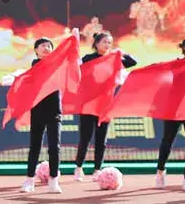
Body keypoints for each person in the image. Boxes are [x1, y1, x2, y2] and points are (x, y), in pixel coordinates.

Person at [73, 31, 137, 181]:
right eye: (104, 42)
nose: (107, 45)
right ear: (96, 44)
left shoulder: (113, 59)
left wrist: (122, 53)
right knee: (85, 138)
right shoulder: (88, 59)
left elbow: (133, 62)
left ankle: (97, 170)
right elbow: (76, 69)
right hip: (88, 103)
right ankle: (78, 168)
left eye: (109, 43)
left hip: (105, 104)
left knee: (101, 140)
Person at [154, 37, 185, 191]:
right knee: (167, 142)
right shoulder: (176, 64)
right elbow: (162, 73)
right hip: (174, 107)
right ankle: (160, 171)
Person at [21, 38, 63, 194]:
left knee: (54, 147)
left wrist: (75, 41)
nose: (46, 48)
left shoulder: (57, 64)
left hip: (54, 111)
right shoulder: (35, 65)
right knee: (35, 146)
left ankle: (54, 180)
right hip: (38, 110)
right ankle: (29, 180)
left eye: (49, 46)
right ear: (36, 50)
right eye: (43, 46)